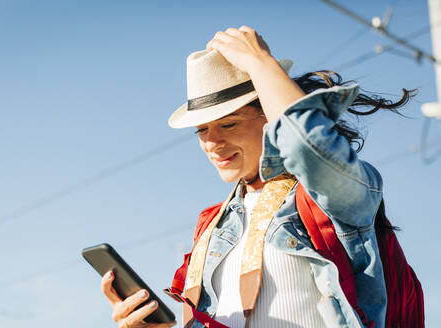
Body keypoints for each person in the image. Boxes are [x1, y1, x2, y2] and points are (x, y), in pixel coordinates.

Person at [100, 26, 414, 328]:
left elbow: (308, 146)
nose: (211, 143)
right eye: (201, 130)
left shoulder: (332, 197)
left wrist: (259, 62)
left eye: (228, 124)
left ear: (269, 116)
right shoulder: (211, 228)